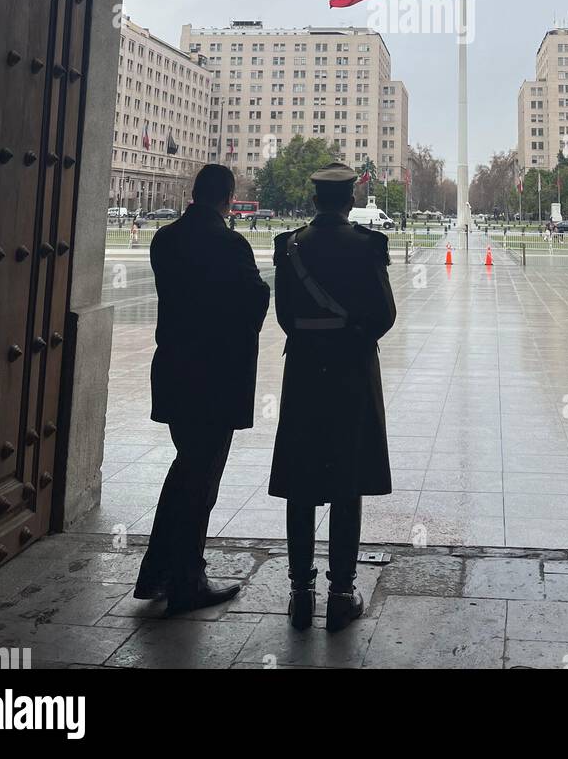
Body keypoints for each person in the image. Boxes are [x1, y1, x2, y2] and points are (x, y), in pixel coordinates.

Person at [133, 164, 270, 614]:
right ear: (228, 198)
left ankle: (157, 571)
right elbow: (253, 305)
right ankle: (186, 579)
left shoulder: (164, 239)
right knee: (200, 480)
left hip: (174, 369)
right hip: (215, 378)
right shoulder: (232, 245)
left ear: (194, 193)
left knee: (186, 469)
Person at [269, 162, 396, 634]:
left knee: (300, 481)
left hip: (304, 369)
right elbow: (384, 314)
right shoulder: (367, 246)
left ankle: (300, 591)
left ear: (315, 199)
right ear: (349, 200)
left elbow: (283, 314)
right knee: (348, 478)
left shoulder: (291, 245)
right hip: (350, 371)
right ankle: (341, 592)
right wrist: (353, 335)